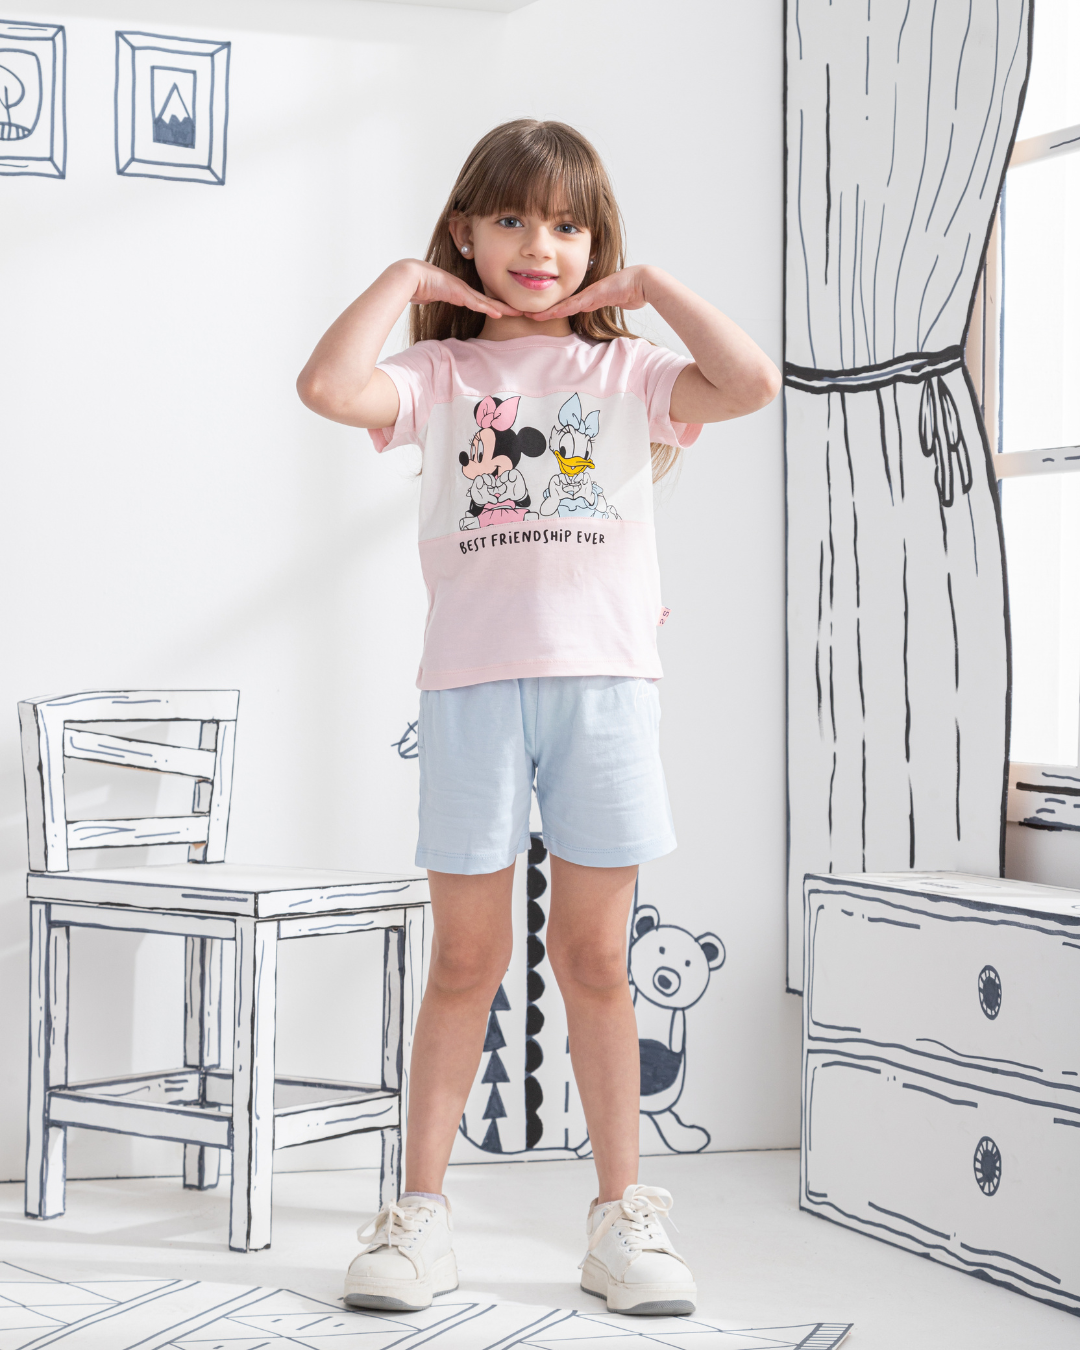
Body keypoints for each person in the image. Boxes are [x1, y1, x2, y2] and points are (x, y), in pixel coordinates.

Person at [296, 118, 779, 1318]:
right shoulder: (437, 377)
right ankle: (420, 1217)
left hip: (606, 690)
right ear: (467, 230)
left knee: (596, 961)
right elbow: (326, 386)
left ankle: (622, 1219)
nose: (538, 246)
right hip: (470, 692)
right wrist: (406, 279)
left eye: (567, 226)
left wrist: (651, 287)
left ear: (594, 244)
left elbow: (753, 383)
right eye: (511, 218)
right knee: (466, 961)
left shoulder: (629, 375)